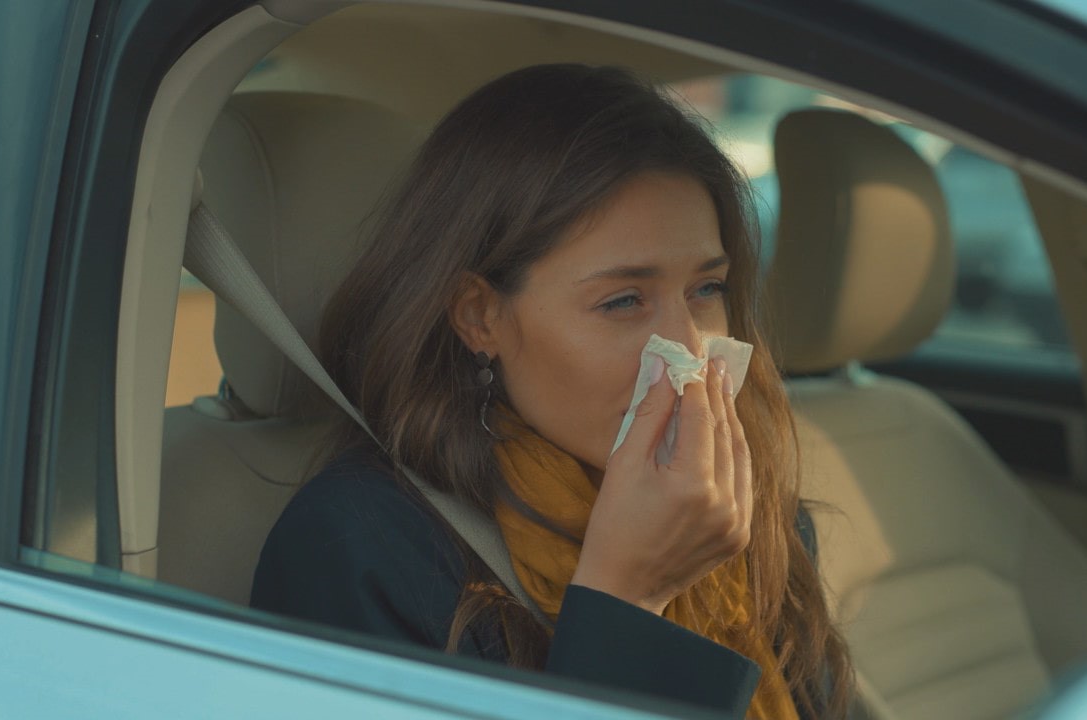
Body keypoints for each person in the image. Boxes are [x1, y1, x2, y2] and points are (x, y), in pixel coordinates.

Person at [251, 64, 852, 719]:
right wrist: (628, 599)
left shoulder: (748, 513)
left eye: (706, 289)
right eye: (622, 301)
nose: (688, 348)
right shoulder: (360, 549)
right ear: (480, 317)